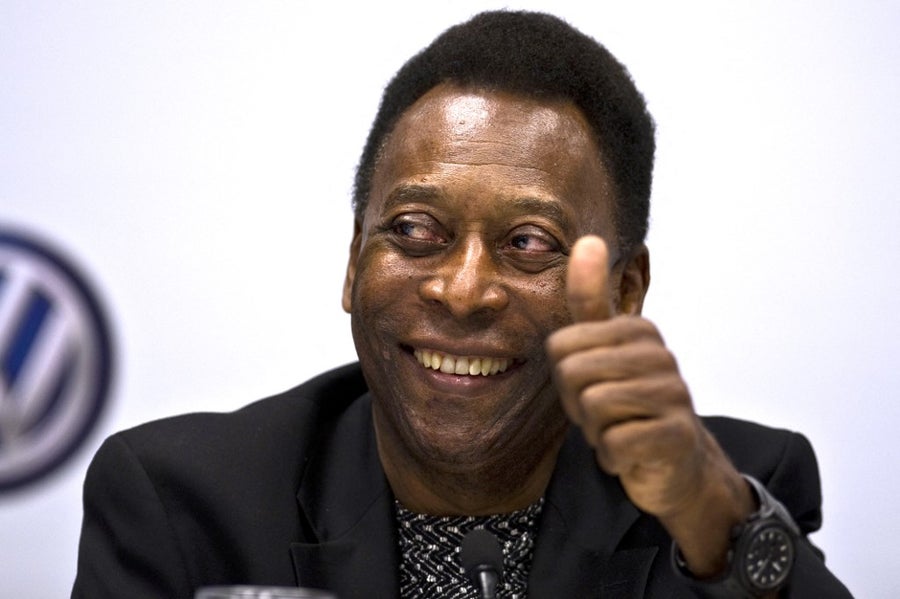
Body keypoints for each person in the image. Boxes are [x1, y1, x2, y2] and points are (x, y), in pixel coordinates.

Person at [72, 10, 852, 599]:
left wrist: (715, 517)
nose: (463, 288)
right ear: (354, 259)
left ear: (623, 292)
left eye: (529, 242)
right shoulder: (183, 502)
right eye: (415, 229)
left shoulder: (732, 486)